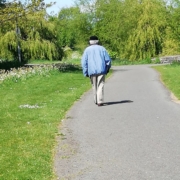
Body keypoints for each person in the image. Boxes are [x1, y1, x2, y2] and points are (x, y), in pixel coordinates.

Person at [81, 35, 111, 106]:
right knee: (100, 85)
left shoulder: (87, 50)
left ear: (90, 41)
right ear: (97, 41)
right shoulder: (102, 49)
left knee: (94, 85)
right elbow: (108, 60)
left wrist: (85, 72)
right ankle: (100, 100)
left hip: (91, 71)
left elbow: (84, 62)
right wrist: (107, 69)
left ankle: (95, 100)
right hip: (101, 70)